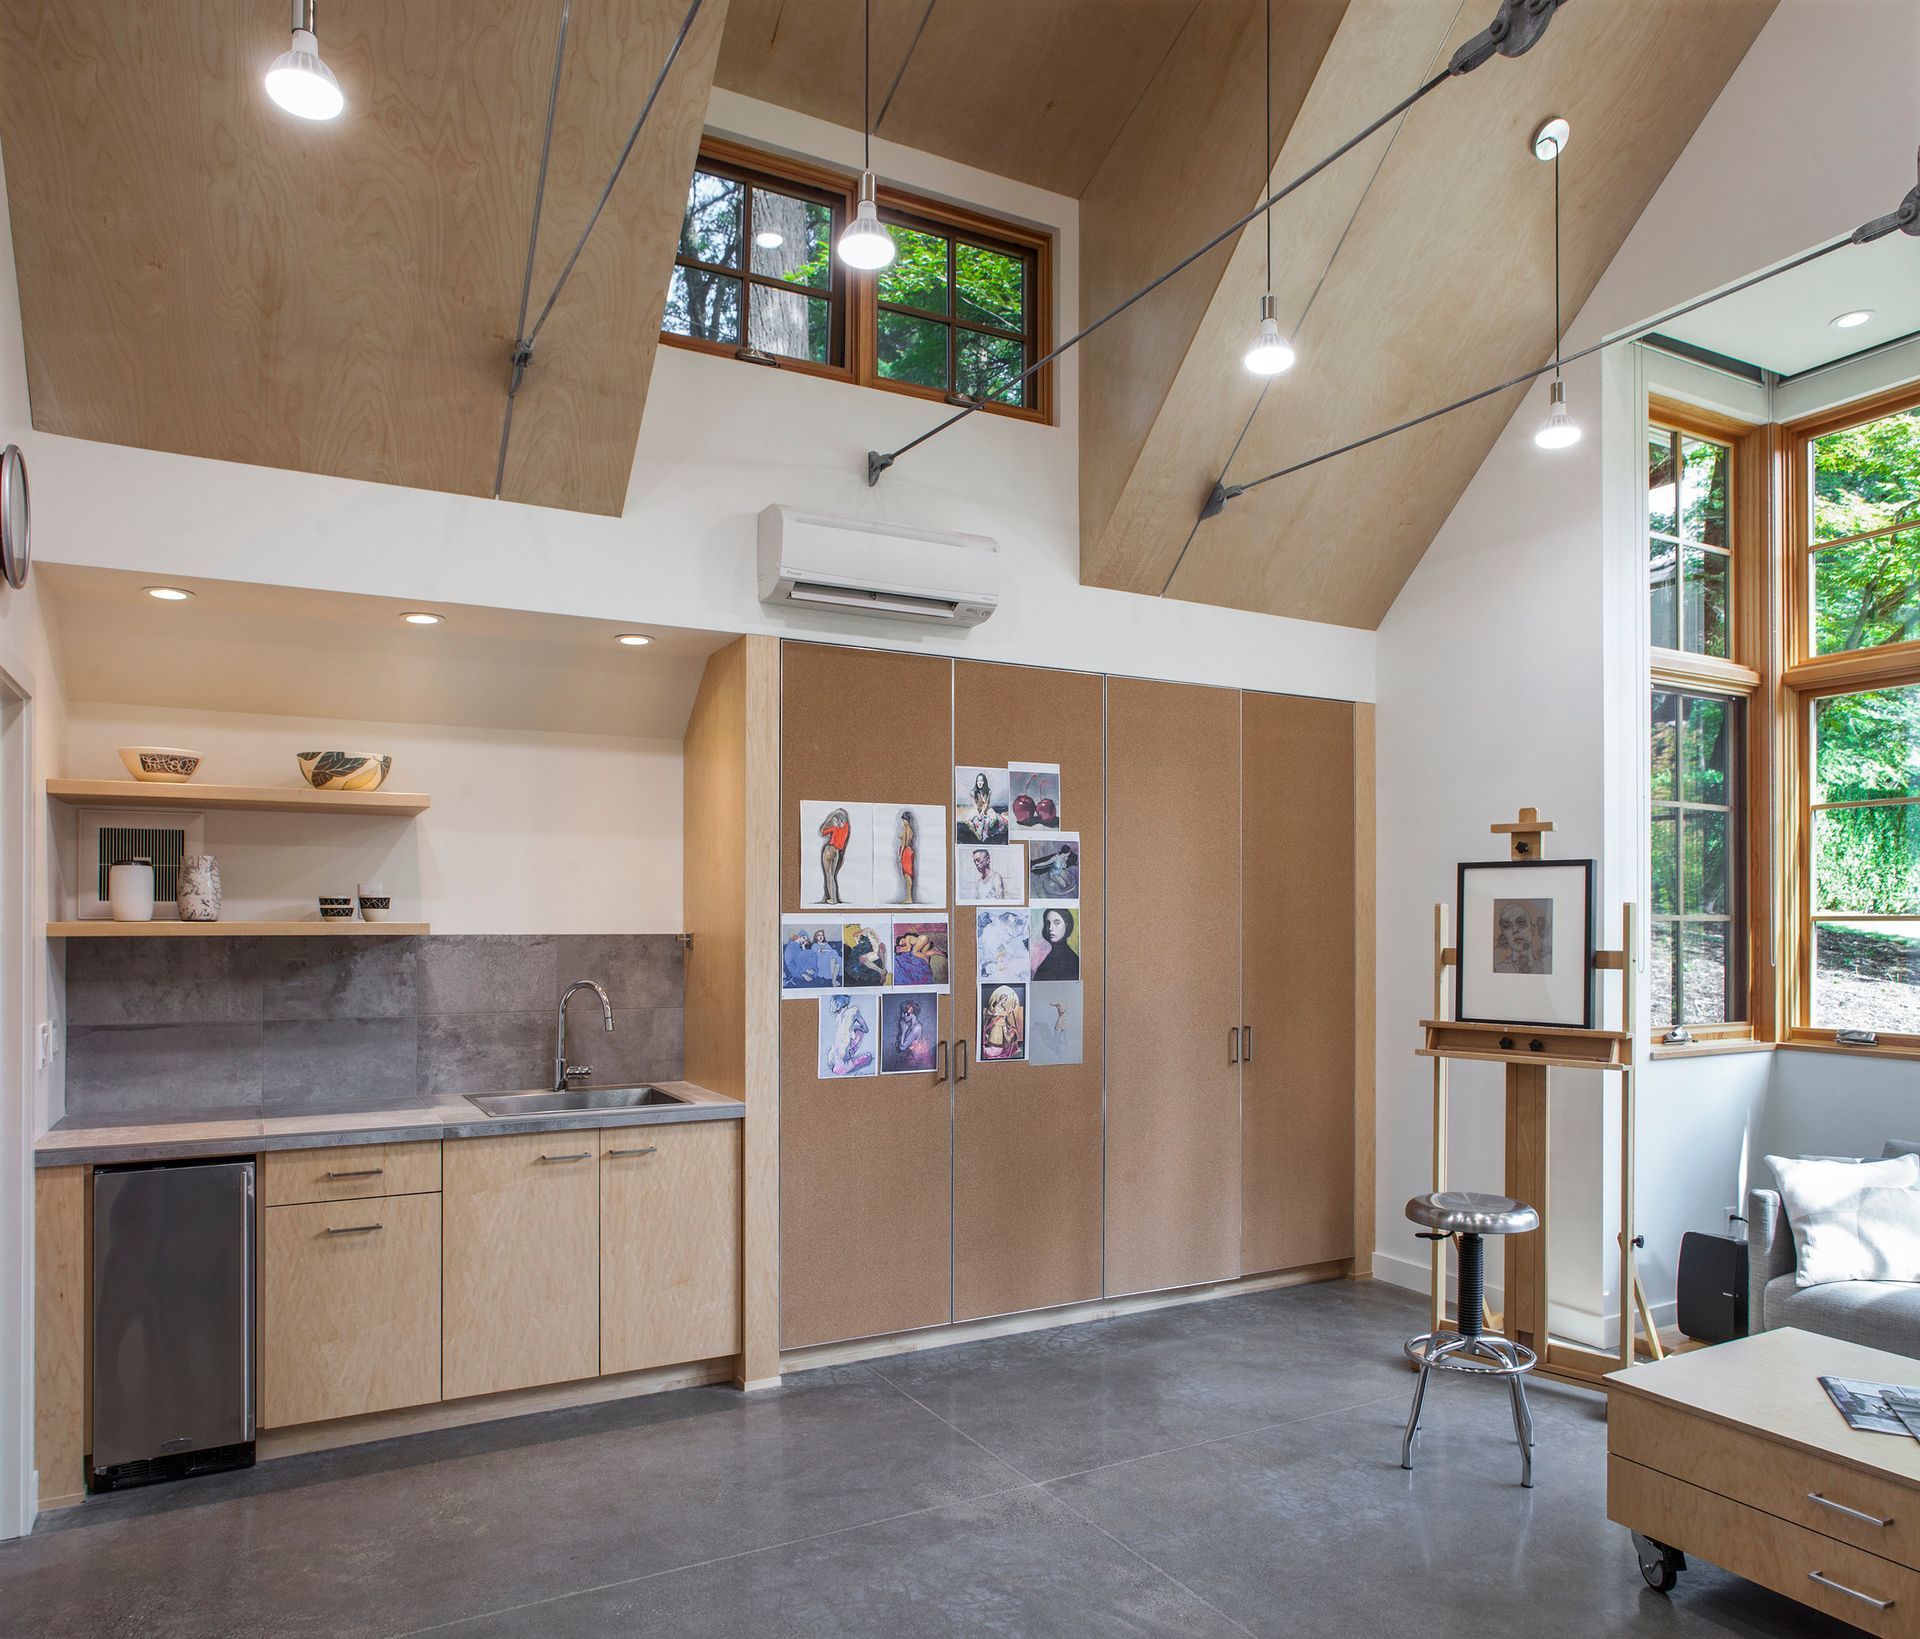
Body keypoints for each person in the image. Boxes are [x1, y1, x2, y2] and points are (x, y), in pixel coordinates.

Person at [1494, 900, 1551, 975]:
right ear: (1504, 936)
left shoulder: (1545, 969)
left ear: (1532, 930)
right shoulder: (1499, 969)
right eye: (1507, 926)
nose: (1515, 930)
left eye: (1521, 923)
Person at [825, 994, 872, 1075]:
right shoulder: (854, 1010)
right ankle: (849, 1059)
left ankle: (847, 1062)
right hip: (842, 1060)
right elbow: (865, 1029)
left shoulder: (838, 1016)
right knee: (868, 1056)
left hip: (831, 1057)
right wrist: (856, 1027)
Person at [1031, 907, 1079, 981]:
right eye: (1048, 923)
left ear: (1067, 925)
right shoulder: (1049, 956)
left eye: (1057, 923)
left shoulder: (1072, 961)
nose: (1050, 928)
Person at [959, 771, 1007, 844]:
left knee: (994, 818)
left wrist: (982, 812)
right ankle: (977, 834)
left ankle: (987, 833)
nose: (979, 783)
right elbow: (974, 805)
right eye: (978, 781)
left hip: (986, 808)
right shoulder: (973, 792)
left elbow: (987, 803)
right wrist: (978, 813)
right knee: (967, 820)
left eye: (981, 781)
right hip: (976, 808)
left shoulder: (988, 791)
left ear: (984, 782)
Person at [981, 985, 1025, 1060]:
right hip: (997, 1026)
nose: (1004, 1001)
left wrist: (1011, 1010)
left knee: (1011, 1032)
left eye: (1005, 1000)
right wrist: (1009, 1011)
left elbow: (1006, 1015)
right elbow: (1003, 1014)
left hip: (1003, 1025)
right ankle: (993, 1051)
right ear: (1001, 999)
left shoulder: (1003, 1007)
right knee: (997, 1042)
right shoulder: (997, 1007)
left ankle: (1009, 1048)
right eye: (1004, 999)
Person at [817, 807, 851, 903]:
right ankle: (834, 898)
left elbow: (822, 831)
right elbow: (843, 819)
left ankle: (833, 899)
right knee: (832, 876)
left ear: (836, 819)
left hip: (829, 850)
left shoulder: (834, 828)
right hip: (837, 853)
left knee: (829, 875)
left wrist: (830, 817)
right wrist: (839, 815)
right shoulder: (846, 828)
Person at [895, 809, 917, 904]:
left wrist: (900, 854)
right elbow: (908, 839)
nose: (902, 821)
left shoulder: (905, 827)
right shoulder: (911, 829)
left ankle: (909, 898)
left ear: (905, 819)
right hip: (910, 850)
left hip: (906, 851)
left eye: (903, 819)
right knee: (908, 874)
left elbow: (904, 842)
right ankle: (909, 897)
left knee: (907, 874)